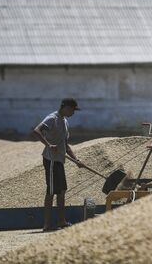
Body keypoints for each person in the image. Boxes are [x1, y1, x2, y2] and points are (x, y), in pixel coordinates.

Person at [33, 98, 85, 231]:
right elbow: (36, 131)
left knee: (61, 191)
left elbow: (66, 146)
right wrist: (49, 145)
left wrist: (76, 160)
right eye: (72, 109)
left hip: (60, 161)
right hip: (50, 160)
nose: (73, 112)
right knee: (51, 191)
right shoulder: (52, 118)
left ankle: (61, 221)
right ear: (65, 107)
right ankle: (47, 224)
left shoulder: (65, 122)